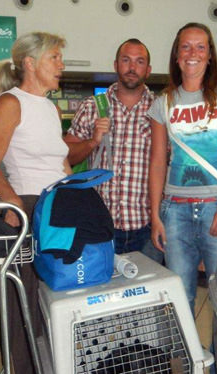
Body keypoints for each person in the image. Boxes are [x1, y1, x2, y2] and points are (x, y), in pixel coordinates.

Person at [148, 22, 217, 374]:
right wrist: (156, 213)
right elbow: (158, 162)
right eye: (186, 47)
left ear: (210, 55)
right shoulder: (164, 102)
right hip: (174, 211)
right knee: (180, 298)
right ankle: (191, 369)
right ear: (177, 54)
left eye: (201, 47)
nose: (193, 53)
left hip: (214, 208)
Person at [0, 31, 71, 374]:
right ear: (30, 63)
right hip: (30, 207)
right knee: (24, 303)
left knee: (56, 300)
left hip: (58, 207)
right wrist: (13, 204)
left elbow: (61, 162)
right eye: (55, 57)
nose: (61, 65)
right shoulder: (11, 103)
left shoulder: (49, 107)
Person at [65, 38, 161, 262]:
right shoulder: (93, 106)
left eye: (139, 62)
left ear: (148, 70)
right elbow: (66, 156)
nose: (131, 67)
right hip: (98, 227)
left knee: (147, 294)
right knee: (102, 293)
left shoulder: (160, 109)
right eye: (126, 60)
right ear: (115, 64)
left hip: (148, 227)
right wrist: (92, 142)